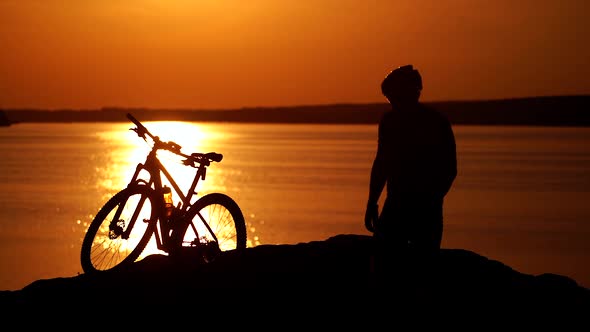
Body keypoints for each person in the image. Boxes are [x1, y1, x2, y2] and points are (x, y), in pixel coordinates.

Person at [365, 65, 457, 287]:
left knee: (422, 272)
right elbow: (382, 164)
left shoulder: (436, 123)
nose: (393, 102)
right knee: (384, 268)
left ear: (412, 92)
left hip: (426, 209)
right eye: (389, 98)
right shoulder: (389, 122)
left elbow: (449, 169)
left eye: (395, 96)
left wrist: (431, 198)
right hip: (397, 205)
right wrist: (372, 202)